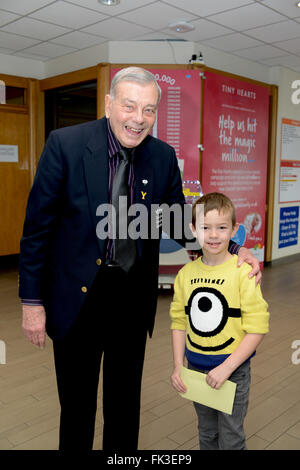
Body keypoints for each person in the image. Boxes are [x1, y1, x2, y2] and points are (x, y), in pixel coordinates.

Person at [19, 67, 261, 451]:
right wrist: (32, 302)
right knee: (77, 406)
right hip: (76, 299)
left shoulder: (162, 157)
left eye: (148, 110)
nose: (138, 118)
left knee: (125, 405)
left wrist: (234, 249)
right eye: (129, 106)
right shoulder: (65, 145)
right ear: (109, 103)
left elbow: (182, 223)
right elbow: (37, 231)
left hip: (131, 301)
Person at [170, 192, 269, 450]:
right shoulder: (185, 275)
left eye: (221, 228)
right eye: (205, 228)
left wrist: (227, 367)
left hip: (233, 372)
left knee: (231, 438)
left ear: (234, 230)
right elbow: (179, 321)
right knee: (207, 434)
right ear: (193, 229)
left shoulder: (243, 272)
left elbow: (257, 327)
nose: (213, 235)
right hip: (196, 369)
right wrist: (178, 365)